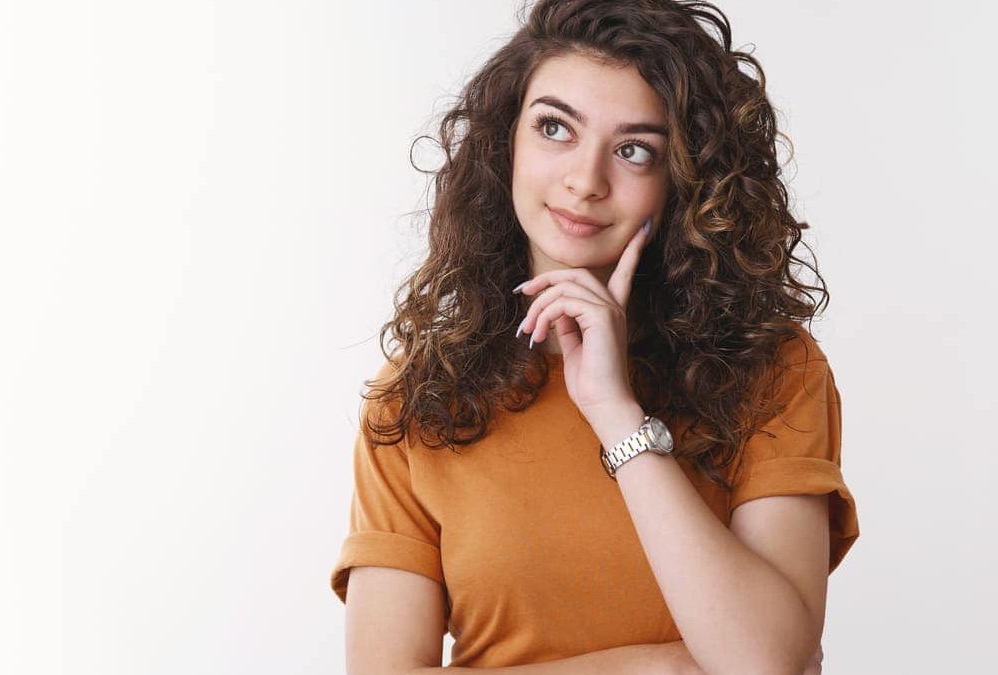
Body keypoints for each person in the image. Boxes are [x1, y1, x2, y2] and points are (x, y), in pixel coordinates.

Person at [329, 1, 858, 673]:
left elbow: (765, 663)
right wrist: (655, 668)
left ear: (683, 182)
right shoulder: (416, 399)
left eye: (635, 150)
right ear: (505, 144)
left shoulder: (774, 371)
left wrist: (614, 412)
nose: (585, 181)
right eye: (555, 128)